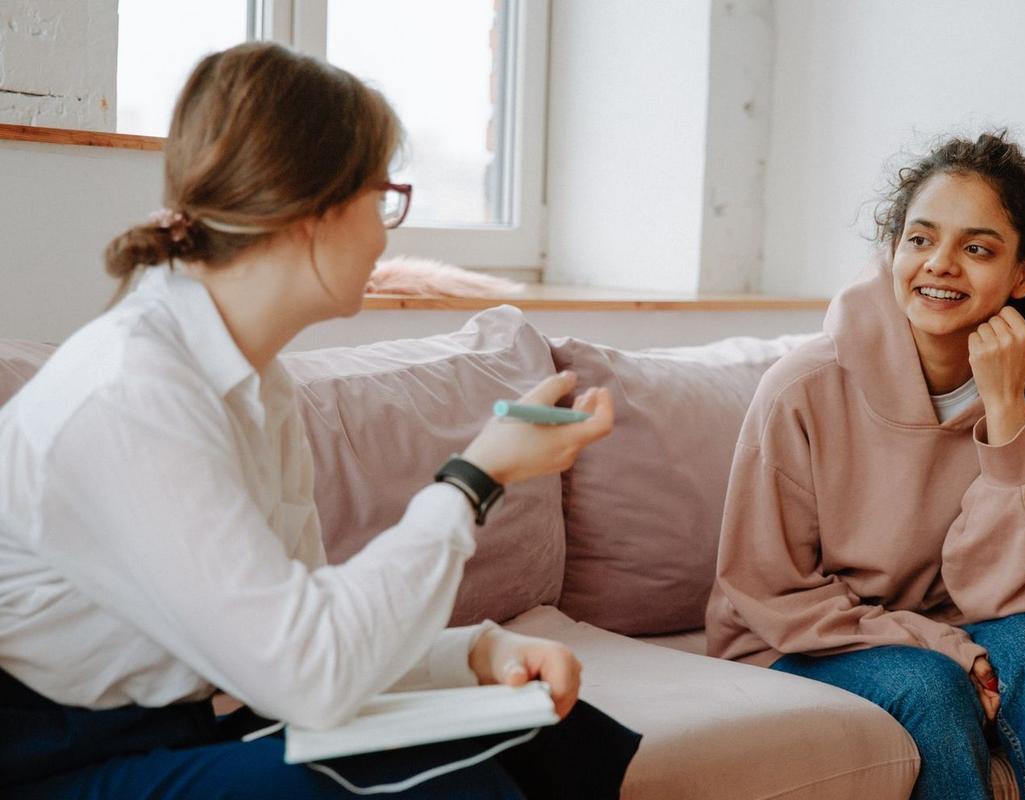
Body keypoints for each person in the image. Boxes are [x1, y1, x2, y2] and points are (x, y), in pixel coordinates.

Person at [0, 42, 640, 798]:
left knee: (551, 732)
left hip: (182, 725)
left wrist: (474, 653)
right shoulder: (133, 394)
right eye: (383, 197)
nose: (385, 232)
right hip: (58, 760)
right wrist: (474, 477)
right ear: (313, 210)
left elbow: (304, 627)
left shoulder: (255, 383)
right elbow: (308, 675)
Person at [706, 132, 1025, 799]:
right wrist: (946, 647)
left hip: (959, 623)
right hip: (797, 642)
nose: (941, 265)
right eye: (921, 239)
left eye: (977, 248)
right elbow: (770, 591)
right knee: (932, 686)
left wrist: (1007, 412)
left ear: (1023, 274)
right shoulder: (803, 387)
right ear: (891, 250)